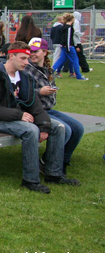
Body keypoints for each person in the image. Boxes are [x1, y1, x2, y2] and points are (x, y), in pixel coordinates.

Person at [0, 41, 79, 193]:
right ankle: (30, 180)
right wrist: (19, 115)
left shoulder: (25, 77)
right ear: (11, 56)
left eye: (28, 58)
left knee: (58, 127)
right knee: (31, 130)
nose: (27, 62)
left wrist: (44, 125)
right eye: (23, 58)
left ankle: (54, 173)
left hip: (20, 116)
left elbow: (34, 105)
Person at [24, 37, 84, 175]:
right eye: (30, 51)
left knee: (78, 128)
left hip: (49, 109)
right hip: (35, 110)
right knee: (65, 129)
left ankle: (62, 160)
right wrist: (40, 92)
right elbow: (22, 93)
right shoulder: (26, 68)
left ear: (44, 52)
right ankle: (48, 163)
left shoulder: (48, 69)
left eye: (36, 51)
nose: (32, 54)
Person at [52, 13, 88, 81]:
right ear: (72, 19)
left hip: (64, 46)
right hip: (68, 47)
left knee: (61, 60)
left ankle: (51, 72)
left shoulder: (64, 26)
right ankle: (79, 76)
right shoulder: (69, 28)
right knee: (75, 61)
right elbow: (68, 39)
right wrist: (69, 48)